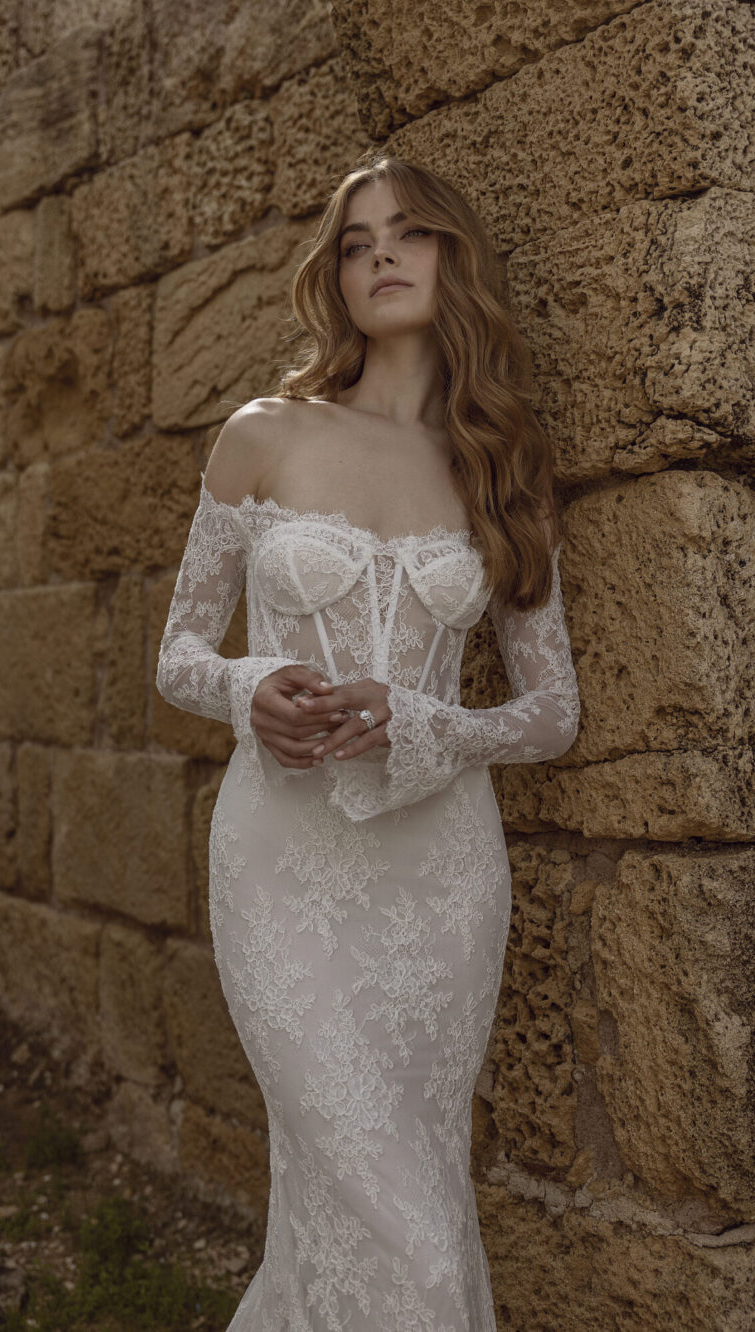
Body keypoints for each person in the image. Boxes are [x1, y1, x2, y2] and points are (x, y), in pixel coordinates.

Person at [155, 151, 580, 1331]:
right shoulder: (262, 433)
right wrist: (248, 686)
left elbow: (551, 714)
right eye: (354, 241)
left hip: (439, 878)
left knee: (412, 1194)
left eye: (408, 232)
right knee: (378, 1202)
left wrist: (428, 720)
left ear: (455, 257)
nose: (380, 254)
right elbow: (178, 653)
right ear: (334, 277)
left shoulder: (500, 466)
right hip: (279, 860)